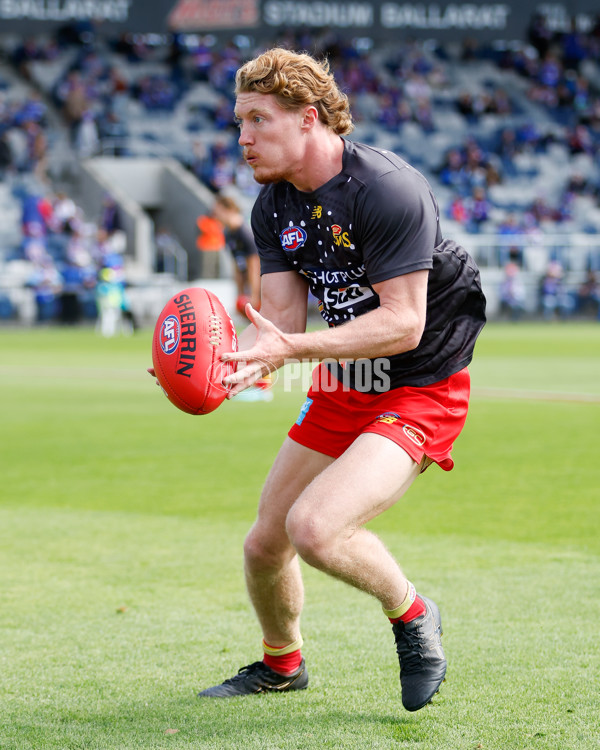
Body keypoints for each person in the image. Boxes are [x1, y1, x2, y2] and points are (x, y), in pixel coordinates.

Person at [150, 48, 486, 712]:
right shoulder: (274, 207)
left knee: (317, 528)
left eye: (257, 120)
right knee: (264, 543)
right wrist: (207, 366)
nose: (242, 139)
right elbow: (276, 319)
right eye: (237, 122)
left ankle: (413, 615)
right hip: (347, 378)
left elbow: (403, 323)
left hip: (422, 384)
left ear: (308, 119)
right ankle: (283, 666)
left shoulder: (387, 189)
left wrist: (294, 348)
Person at [212, 193, 261, 314]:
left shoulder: (244, 231)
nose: (216, 216)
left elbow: (254, 263)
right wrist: (240, 294)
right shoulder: (228, 234)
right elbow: (237, 265)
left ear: (227, 209)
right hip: (249, 282)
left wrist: (254, 295)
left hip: (262, 281)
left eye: (217, 212)